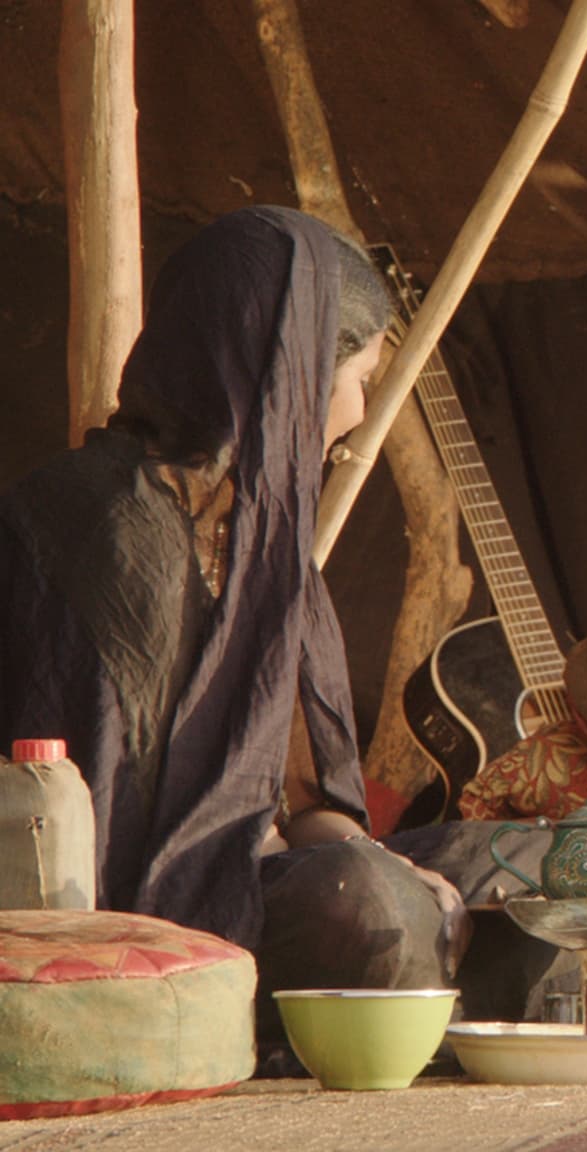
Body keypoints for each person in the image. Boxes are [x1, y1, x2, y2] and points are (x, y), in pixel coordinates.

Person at [0, 207, 548, 1042]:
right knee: (367, 908)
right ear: (288, 373)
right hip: (144, 919)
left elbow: (302, 802)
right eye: (358, 378)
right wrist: (367, 876)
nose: (359, 412)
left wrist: (372, 856)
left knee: (540, 866)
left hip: (263, 870)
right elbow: (143, 841)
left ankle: (432, 999)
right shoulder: (106, 525)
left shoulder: (260, 529)